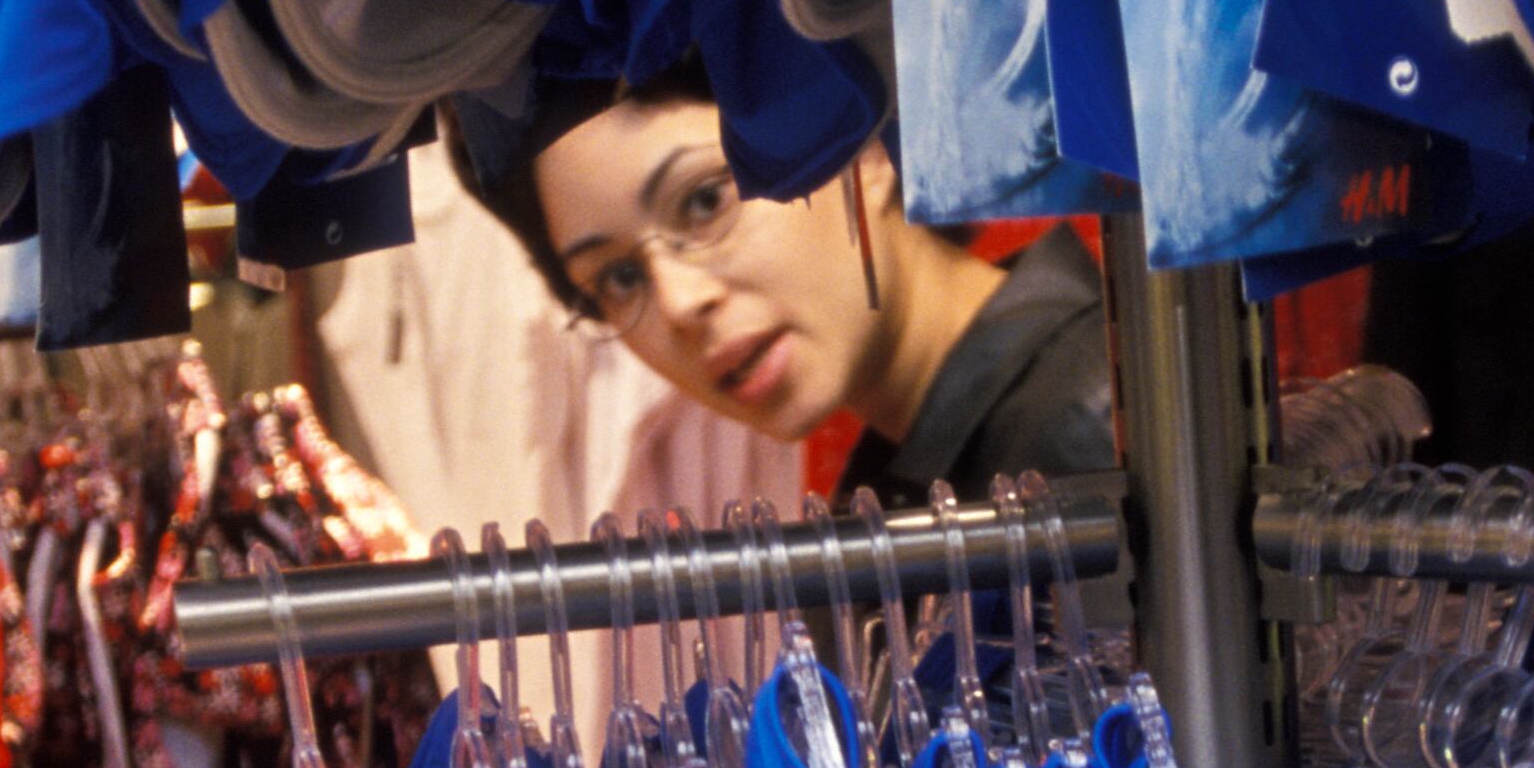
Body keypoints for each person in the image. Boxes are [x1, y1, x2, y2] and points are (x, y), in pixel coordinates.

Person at [452, 59, 1118, 496]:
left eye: (705, 202)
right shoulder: (910, 480)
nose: (679, 305)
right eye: (619, 277)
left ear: (861, 148)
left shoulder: (1085, 435)